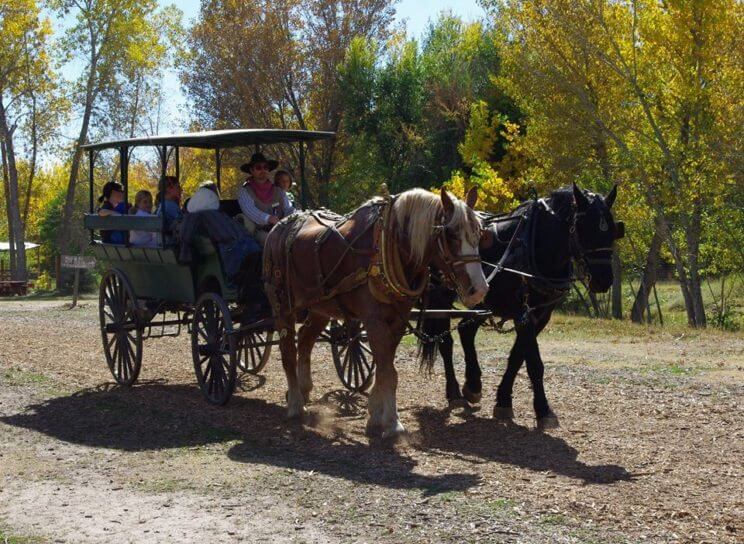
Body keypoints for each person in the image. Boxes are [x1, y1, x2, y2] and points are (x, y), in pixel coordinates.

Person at [237, 152, 294, 246]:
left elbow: (289, 209)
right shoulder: (245, 191)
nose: (263, 170)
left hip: (282, 228)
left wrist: (289, 219)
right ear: (251, 170)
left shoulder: (278, 190)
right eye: (258, 167)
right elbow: (251, 211)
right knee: (275, 242)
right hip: (259, 231)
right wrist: (268, 218)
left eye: (265, 167)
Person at [155, 175, 184, 243]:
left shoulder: (163, 204)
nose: (181, 189)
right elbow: (184, 223)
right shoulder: (170, 206)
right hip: (170, 244)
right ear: (168, 188)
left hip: (162, 242)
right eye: (178, 187)